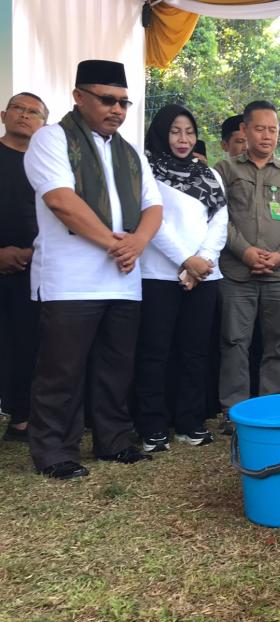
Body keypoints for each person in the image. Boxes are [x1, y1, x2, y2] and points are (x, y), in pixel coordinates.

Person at [24, 59, 163, 479]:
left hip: (122, 281)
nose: (117, 109)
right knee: (61, 371)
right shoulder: (51, 139)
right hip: (70, 280)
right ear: (78, 97)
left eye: (123, 101)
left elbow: (153, 207)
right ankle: (54, 452)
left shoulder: (131, 151)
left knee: (116, 366)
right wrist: (117, 244)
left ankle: (115, 440)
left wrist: (137, 242)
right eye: (107, 99)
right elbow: (60, 200)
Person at [133, 104, 228, 452]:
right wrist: (186, 260)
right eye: (175, 131)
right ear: (160, 131)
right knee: (155, 352)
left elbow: (220, 220)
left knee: (195, 352)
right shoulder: (145, 168)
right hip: (158, 275)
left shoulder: (209, 174)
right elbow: (151, 221)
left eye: (189, 131)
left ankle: (190, 421)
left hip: (205, 276)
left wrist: (203, 261)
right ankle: (152, 426)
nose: (183, 139)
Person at [215, 100, 280, 421]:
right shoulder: (224, 170)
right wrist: (245, 251)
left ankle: (271, 409)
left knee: (278, 345)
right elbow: (218, 219)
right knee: (234, 341)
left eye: (273, 129)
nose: (267, 136)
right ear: (244, 129)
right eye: (260, 128)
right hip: (237, 272)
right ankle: (235, 410)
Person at [0, 92, 47, 442]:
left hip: (36, 266)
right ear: (4, 114)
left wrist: (31, 253)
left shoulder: (48, 166)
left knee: (27, 341)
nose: (25, 115)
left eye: (34, 112)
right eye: (19, 108)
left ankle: (21, 417)